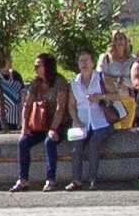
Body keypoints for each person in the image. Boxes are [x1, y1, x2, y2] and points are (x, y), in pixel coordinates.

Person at [12, 54, 72, 192]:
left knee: (49, 142)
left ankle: (50, 179)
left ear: (47, 67)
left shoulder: (59, 82)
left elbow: (60, 108)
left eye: (38, 66)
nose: (35, 68)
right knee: (23, 142)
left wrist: (53, 129)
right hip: (40, 123)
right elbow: (27, 105)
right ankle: (23, 180)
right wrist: (24, 127)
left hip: (60, 124)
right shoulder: (36, 83)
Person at [67, 49, 112, 192]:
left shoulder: (101, 78)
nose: (84, 64)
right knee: (76, 147)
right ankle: (76, 180)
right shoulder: (74, 82)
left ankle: (93, 180)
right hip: (83, 123)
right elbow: (71, 105)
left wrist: (101, 97)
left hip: (102, 122)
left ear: (93, 63)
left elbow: (118, 95)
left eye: (87, 61)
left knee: (94, 144)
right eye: (81, 61)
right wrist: (76, 120)